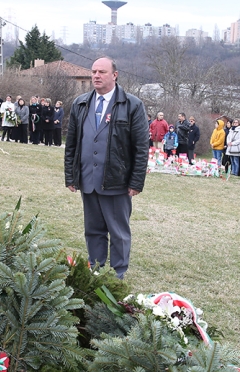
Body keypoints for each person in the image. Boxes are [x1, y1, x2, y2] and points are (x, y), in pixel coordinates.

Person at [64, 57, 148, 279]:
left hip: (116, 182)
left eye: (101, 71)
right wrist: (70, 176)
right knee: (93, 230)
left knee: (119, 233)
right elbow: (71, 143)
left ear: (114, 75)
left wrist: (136, 182)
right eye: (93, 72)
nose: (96, 76)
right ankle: (96, 271)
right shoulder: (80, 104)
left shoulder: (132, 105)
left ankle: (118, 275)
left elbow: (141, 148)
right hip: (88, 180)